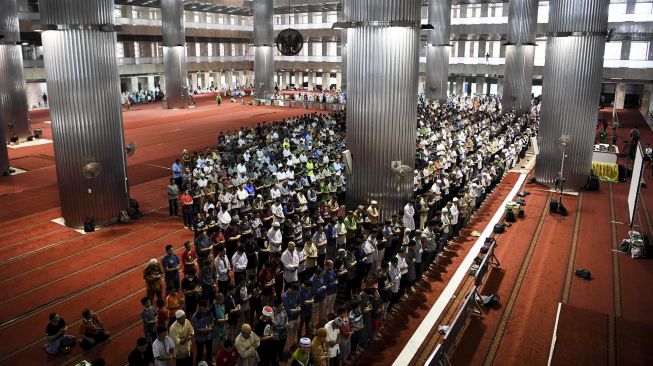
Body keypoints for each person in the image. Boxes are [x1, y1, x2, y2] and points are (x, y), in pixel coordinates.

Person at [192, 299, 215, 364]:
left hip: (208, 336)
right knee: (200, 352)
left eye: (205, 308)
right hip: (200, 338)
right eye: (203, 309)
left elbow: (212, 321)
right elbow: (196, 329)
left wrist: (210, 326)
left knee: (209, 351)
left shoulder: (208, 312)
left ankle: (209, 362)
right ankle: (198, 363)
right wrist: (207, 329)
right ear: (199, 307)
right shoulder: (195, 316)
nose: (205, 310)